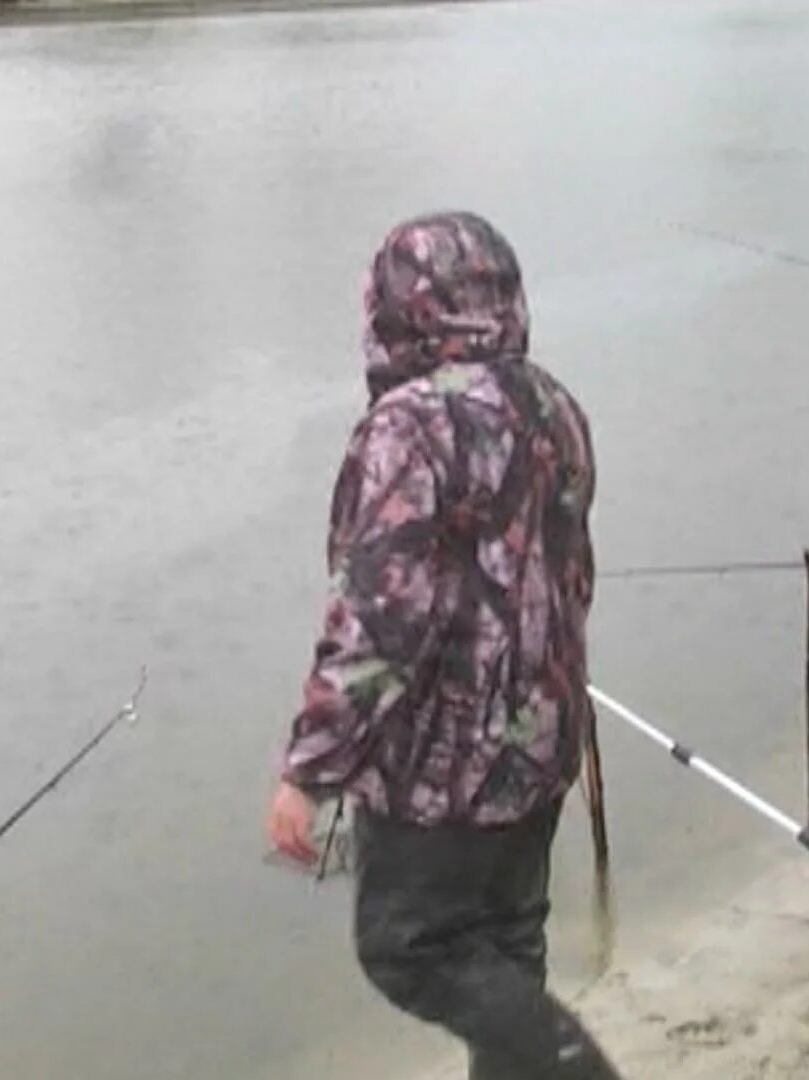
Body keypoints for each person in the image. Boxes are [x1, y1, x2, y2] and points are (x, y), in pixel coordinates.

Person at [264, 212, 623, 1079]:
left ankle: (581, 1068)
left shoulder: (406, 425)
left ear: (400, 308)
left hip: (441, 773)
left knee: (408, 948)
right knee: (502, 954)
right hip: (541, 748)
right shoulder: (552, 402)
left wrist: (309, 772)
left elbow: (381, 618)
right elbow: (567, 575)